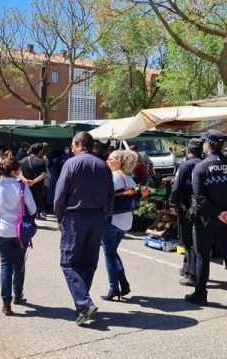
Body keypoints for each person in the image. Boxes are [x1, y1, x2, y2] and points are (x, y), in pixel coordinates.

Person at [54, 132, 114, 326]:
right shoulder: (103, 165)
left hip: (75, 217)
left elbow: (60, 194)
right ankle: (83, 305)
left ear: (80, 144)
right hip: (96, 218)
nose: (71, 149)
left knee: (69, 262)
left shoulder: (71, 163)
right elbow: (110, 196)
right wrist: (102, 215)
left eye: (73, 145)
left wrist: (59, 217)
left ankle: (84, 303)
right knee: (88, 262)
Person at [186, 130, 227, 309]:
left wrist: (218, 213)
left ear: (207, 144)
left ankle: (200, 294)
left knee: (202, 256)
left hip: (207, 219)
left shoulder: (201, 167)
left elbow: (199, 198)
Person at [0, 157, 37, 315]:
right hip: (21, 232)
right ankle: (18, 294)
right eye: (19, 170)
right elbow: (33, 209)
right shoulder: (22, 187)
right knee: (19, 264)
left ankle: (6, 303)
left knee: (5, 265)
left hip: (2, 231)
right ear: (14, 172)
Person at [101, 149, 138, 301]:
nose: (107, 161)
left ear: (118, 161)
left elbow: (102, 197)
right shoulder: (130, 178)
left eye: (110, 159)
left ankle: (114, 288)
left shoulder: (113, 177)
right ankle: (124, 284)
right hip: (125, 221)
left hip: (111, 220)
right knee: (112, 252)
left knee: (109, 255)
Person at [169, 138, 204, 287]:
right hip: (202, 208)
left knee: (189, 241)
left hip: (187, 208)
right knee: (198, 240)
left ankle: (192, 274)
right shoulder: (204, 163)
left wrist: (172, 203)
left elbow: (176, 187)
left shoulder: (185, 165)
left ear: (188, 149)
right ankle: (187, 267)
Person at [21, 143, 48, 219]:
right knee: (33, 207)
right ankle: (31, 221)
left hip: (24, 187)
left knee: (24, 206)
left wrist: (25, 180)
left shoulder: (23, 160)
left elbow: (19, 173)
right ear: (40, 151)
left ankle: (24, 220)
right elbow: (43, 175)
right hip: (37, 188)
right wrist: (33, 182)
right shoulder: (41, 161)